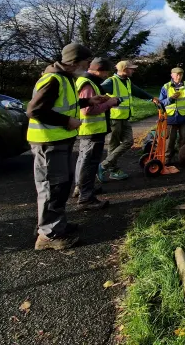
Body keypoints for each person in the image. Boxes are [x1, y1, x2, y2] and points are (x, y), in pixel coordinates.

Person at [27, 43, 111, 251]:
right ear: (74, 62)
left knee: (61, 185)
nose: (87, 66)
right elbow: (34, 110)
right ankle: (49, 234)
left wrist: (89, 101)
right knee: (52, 187)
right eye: (85, 63)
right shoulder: (54, 80)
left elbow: (62, 105)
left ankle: (56, 225)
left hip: (58, 141)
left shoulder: (65, 79)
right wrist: (67, 122)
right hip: (48, 143)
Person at [99, 60, 159, 181]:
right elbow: (97, 91)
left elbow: (138, 91)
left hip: (124, 117)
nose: (133, 70)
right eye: (131, 68)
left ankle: (105, 165)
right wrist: (104, 100)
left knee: (128, 141)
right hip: (114, 118)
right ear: (124, 69)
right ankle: (112, 170)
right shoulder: (111, 81)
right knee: (114, 145)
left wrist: (152, 98)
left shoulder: (126, 81)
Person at [73, 57, 120, 210]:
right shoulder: (88, 83)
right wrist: (110, 103)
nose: (107, 76)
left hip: (88, 130)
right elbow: (88, 110)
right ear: (100, 70)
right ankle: (86, 198)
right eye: (106, 72)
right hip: (92, 130)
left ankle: (82, 188)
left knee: (83, 160)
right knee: (89, 163)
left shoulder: (86, 81)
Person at [160, 67, 185, 165]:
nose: (179, 77)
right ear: (172, 75)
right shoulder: (166, 86)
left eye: (180, 74)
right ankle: (167, 159)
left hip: (183, 116)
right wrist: (170, 99)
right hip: (170, 117)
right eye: (176, 74)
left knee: (184, 138)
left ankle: (184, 158)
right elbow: (160, 102)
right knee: (170, 140)